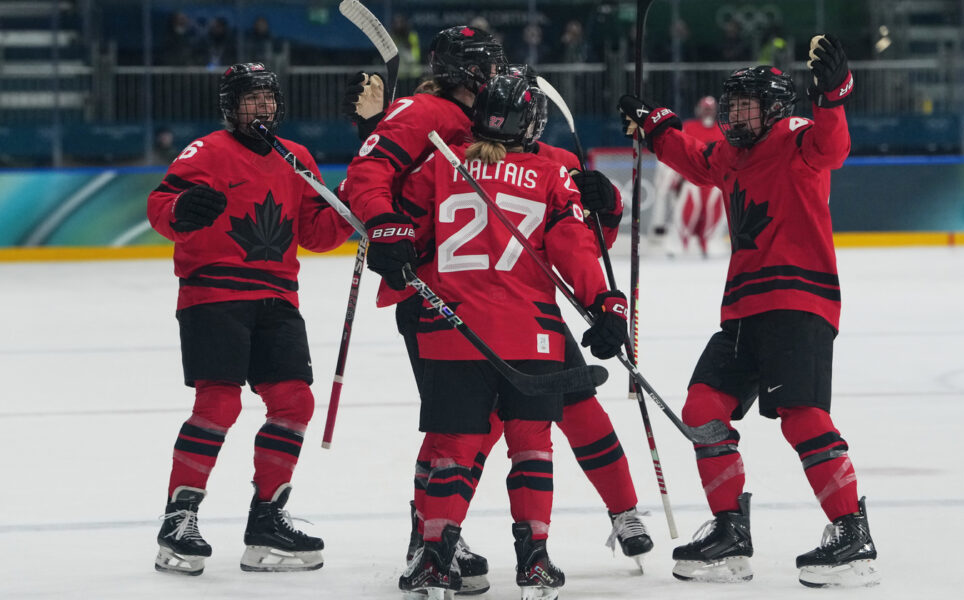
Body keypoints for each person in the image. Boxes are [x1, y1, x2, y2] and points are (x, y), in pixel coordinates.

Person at [342, 46, 654, 588]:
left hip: (452, 318)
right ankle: (520, 552)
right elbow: (578, 247)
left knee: (458, 439)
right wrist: (607, 301)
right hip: (525, 323)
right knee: (521, 437)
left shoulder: (448, 158)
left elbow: (400, 220)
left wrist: (607, 206)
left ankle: (434, 547)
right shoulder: (543, 167)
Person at [617, 36, 880, 588]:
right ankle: (730, 531)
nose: (735, 117)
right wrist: (656, 126)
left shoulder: (797, 139)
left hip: (798, 302)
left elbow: (832, 146)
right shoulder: (731, 156)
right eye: (731, 107)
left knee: (802, 416)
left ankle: (851, 532)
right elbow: (694, 159)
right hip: (742, 311)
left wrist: (833, 94)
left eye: (746, 107)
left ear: (776, 109)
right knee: (702, 407)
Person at [147, 62, 354, 576]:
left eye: (268, 97)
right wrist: (181, 209)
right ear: (230, 106)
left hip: (278, 296)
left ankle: (266, 521)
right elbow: (160, 205)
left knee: (295, 401)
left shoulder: (296, 157)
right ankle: (179, 519)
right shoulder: (206, 151)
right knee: (218, 403)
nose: (262, 106)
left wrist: (353, 207)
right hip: (213, 292)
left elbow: (316, 233)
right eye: (250, 98)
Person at [650, 96, 727, 257]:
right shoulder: (688, 127)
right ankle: (678, 242)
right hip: (690, 181)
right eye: (705, 109)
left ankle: (710, 242)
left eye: (710, 109)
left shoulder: (723, 130)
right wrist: (673, 180)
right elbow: (679, 151)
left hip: (715, 184)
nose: (707, 112)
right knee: (687, 207)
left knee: (715, 208)